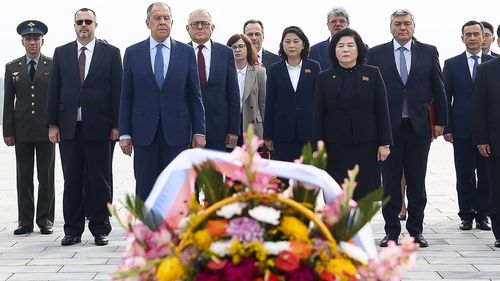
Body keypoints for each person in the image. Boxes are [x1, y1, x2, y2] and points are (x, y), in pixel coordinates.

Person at [367, 9, 448, 248]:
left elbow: (438, 87)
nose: (402, 27)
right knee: (390, 182)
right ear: (390, 27)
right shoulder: (376, 53)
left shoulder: (428, 51)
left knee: (416, 180)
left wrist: (441, 122)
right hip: (388, 129)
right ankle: (391, 232)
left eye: (407, 23)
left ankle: (415, 231)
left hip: (419, 127)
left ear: (414, 26)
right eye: (397, 24)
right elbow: (370, 93)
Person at [46, 8, 122, 246]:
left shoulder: (111, 53)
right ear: (74, 26)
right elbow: (54, 90)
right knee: (72, 179)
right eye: (79, 22)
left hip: (100, 127)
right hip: (69, 127)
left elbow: (117, 92)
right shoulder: (62, 53)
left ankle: (100, 228)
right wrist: (52, 124)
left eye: (88, 21)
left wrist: (117, 125)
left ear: (95, 25)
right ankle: (73, 230)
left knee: (100, 180)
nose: (84, 25)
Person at [119, 3, 206, 201]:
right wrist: (124, 132)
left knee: (178, 188)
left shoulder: (186, 52)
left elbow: (195, 95)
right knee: (145, 187)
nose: (162, 22)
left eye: (166, 18)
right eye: (157, 18)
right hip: (143, 133)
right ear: (147, 22)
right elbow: (126, 96)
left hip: (177, 131)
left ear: (172, 22)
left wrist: (199, 131)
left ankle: (176, 231)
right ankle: (147, 230)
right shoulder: (133, 52)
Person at [313, 28, 392, 201]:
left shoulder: (372, 73)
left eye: (350, 45)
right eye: (340, 46)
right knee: (336, 196)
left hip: (366, 145)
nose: (345, 49)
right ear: (334, 50)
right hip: (335, 146)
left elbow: (382, 109)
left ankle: (361, 228)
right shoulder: (324, 77)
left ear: (359, 49)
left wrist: (384, 142)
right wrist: (317, 147)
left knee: (364, 197)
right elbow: (318, 114)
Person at [3, 20, 54, 235]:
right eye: (28, 39)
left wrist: (55, 125)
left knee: (46, 176)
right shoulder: (12, 67)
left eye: (36, 38)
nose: (32, 42)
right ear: (22, 41)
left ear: (42, 40)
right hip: (22, 130)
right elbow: (8, 102)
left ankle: (45, 220)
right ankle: (25, 221)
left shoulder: (52, 65)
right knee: (24, 176)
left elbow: (56, 98)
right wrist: (7, 131)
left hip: (45, 130)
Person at [443, 21, 494, 232]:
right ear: (462, 38)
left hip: (489, 131)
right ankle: (466, 215)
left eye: (476, 34)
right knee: (464, 174)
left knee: (486, 175)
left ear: (484, 37)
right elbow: (446, 97)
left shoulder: (494, 63)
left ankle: (483, 215)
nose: (472, 38)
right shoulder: (452, 64)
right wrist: (446, 127)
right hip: (461, 128)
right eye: (468, 35)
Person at [263, 26, 320, 162]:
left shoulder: (314, 67)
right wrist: (268, 135)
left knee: (307, 180)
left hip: (308, 134)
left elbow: (319, 102)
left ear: (303, 44)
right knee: (284, 178)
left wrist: (319, 135)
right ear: (282, 45)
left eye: (296, 41)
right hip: (282, 134)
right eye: (287, 41)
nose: (291, 45)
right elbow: (270, 103)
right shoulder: (274, 69)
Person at [186, 9, 240, 151]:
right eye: (195, 24)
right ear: (187, 29)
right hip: (187, 129)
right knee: (190, 173)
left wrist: (234, 129)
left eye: (204, 23)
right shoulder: (180, 52)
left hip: (218, 129)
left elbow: (233, 93)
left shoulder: (226, 53)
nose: (199, 27)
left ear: (212, 28)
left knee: (215, 173)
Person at [474, 55, 500, 248]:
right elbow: (480, 107)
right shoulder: (486, 69)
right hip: (495, 140)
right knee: (497, 188)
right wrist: (482, 139)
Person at [226, 34, 266, 142]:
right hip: (230, 124)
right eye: (233, 47)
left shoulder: (259, 72)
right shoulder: (224, 72)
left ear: (248, 48)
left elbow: (263, 103)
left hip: (252, 123)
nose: (237, 50)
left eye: (241, 46)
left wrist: (267, 132)